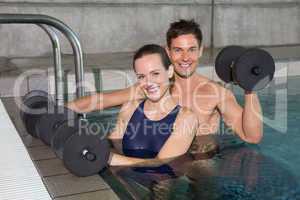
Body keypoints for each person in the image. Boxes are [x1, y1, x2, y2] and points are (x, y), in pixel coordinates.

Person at [67, 19, 262, 145]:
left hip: (201, 163)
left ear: (201, 50)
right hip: (160, 162)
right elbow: (101, 100)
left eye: (192, 49)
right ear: (167, 52)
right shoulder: (153, 87)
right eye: (178, 50)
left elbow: (251, 136)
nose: (185, 57)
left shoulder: (216, 94)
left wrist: (250, 88)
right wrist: (57, 112)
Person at [106, 44, 198, 166]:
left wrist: (112, 159)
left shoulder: (186, 119)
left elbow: (161, 165)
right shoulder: (130, 108)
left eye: (155, 73)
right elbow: (113, 144)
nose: (148, 82)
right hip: (128, 177)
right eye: (142, 76)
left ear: (170, 71)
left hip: (164, 182)